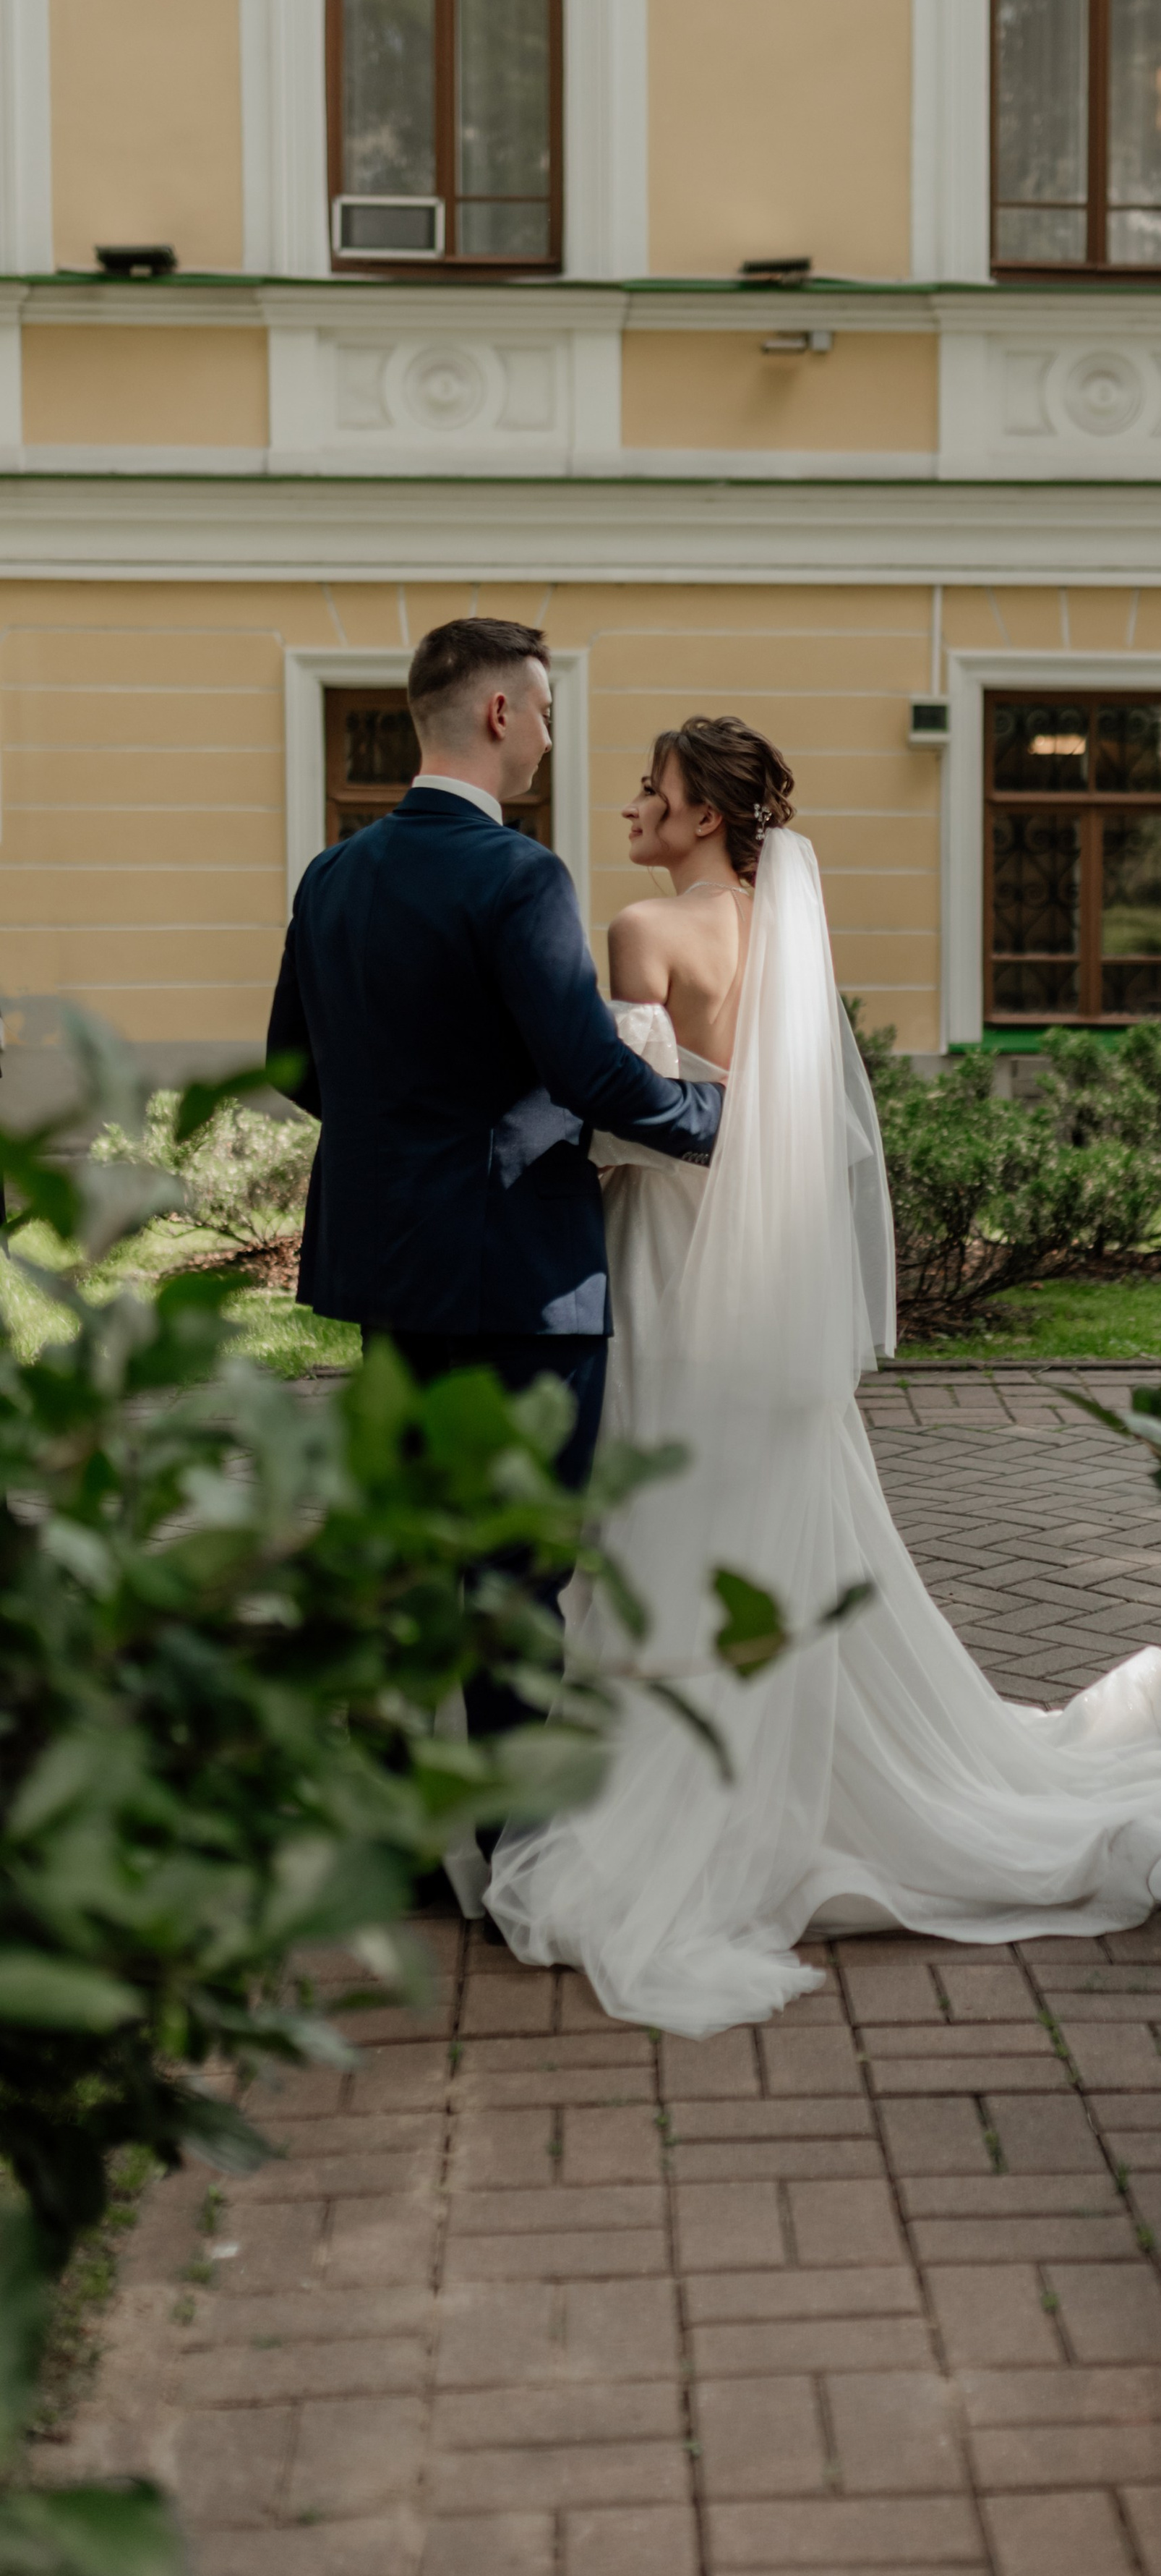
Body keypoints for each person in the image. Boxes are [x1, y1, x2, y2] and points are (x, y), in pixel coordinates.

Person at [487, 717, 1161, 2037]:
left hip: (670, 1267)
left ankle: (687, 1784)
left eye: (652, 793)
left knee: (662, 1510)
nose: (630, 810)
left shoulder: (639, 934)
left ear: (706, 818)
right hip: (767, 1281)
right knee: (771, 1519)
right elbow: (801, 1126)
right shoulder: (788, 941)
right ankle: (803, 1765)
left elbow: (634, 1127)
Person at [266, 620, 724, 1809]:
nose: (553, 737)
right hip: (522, 1276)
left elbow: (287, 1061)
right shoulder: (519, 875)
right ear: (501, 716)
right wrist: (720, 1126)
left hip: (385, 1264)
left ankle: (411, 1837)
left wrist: (396, 1135)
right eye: (548, 710)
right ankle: (521, 1850)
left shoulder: (331, 874)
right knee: (518, 1570)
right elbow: (589, 1073)